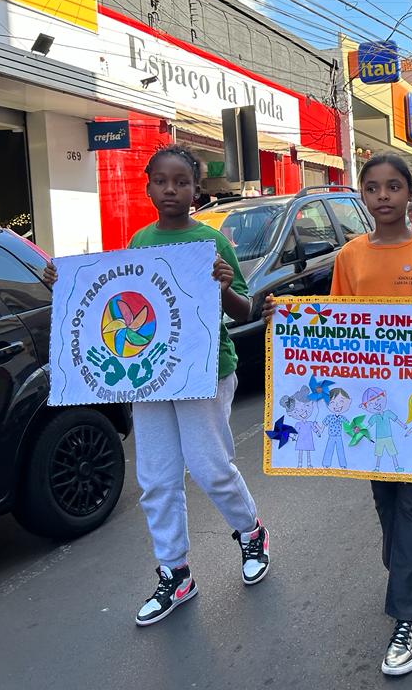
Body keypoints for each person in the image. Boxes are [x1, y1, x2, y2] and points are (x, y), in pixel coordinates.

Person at [264, 153, 412, 676]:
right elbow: (335, 329)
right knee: (385, 497)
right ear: (363, 196)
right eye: (373, 188)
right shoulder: (349, 256)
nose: (384, 196)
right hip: (369, 409)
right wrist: (287, 317)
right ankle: (406, 576)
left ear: (410, 194)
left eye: (394, 187)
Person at [41, 145, 271, 627]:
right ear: (147, 188)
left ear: (196, 190)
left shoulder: (212, 243)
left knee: (209, 467)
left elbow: (245, 312)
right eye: (161, 182)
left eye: (181, 182)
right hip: (151, 379)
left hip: (204, 373)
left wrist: (225, 285)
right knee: (156, 479)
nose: (171, 190)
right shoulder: (139, 241)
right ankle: (175, 571)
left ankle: (251, 532)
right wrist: (65, 285)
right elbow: (118, 298)